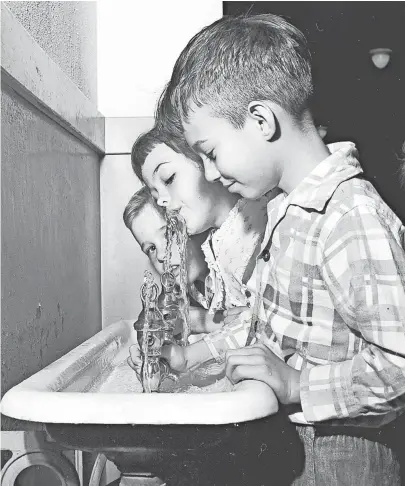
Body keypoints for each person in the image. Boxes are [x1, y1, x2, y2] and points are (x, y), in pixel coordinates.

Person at [159, 13, 405, 485]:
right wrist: (194, 357)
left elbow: (399, 365)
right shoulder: (286, 211)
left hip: (345, 456)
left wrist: (296, 384)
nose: (210, 174)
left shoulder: (349, 216)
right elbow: (265, 329)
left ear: (260, 120)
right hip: (298, 446)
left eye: (210, 152)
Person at [123, 187, 254, 374]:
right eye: (151, 248)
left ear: (191, 225)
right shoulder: (187, 291)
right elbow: (163, 325)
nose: (161, 255)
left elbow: (261, 324)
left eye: (168, 234)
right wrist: (156, 355)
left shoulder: (234, 260)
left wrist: (196, 330)